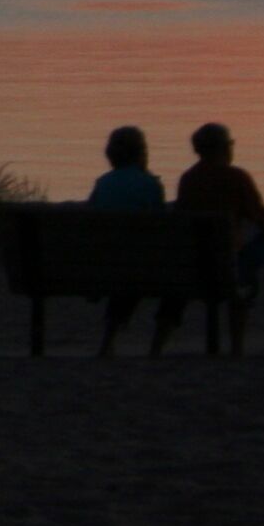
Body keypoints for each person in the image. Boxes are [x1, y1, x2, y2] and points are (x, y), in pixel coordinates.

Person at [86, 126, 184, 355]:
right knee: (176, 279)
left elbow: (91, 219)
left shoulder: (102, 183)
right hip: (137, 266)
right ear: (141, 153)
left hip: (103, 266)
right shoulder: (150, 185)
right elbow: (160, 227)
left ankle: (109, 340)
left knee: (127, 268)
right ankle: (157, 346)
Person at [175, 121, 264, 305]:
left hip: (194, 263)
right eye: (231, 144)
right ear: (223, 148)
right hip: (230, 265)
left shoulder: (188, 179)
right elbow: (263, 222)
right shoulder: (237, 178)